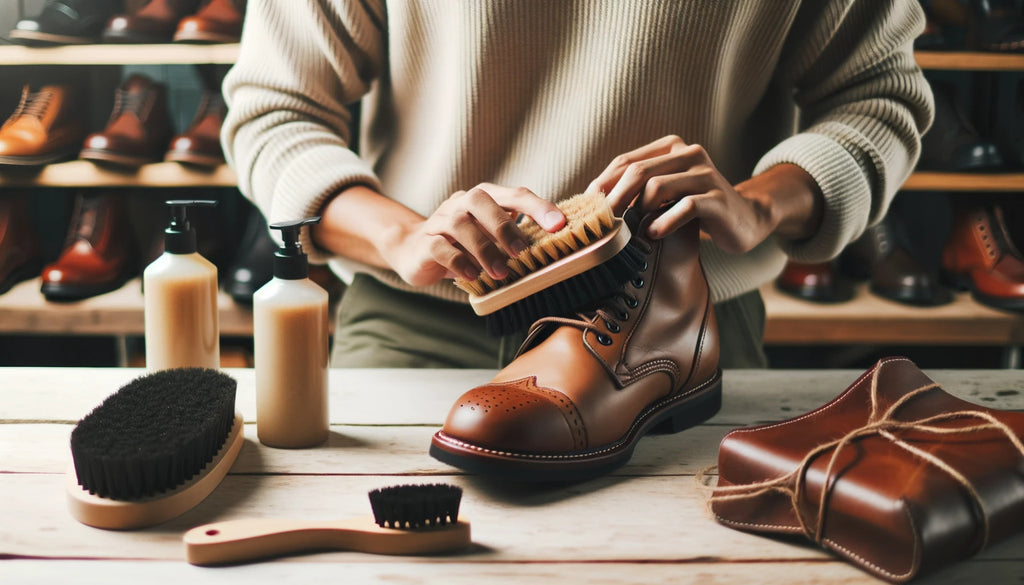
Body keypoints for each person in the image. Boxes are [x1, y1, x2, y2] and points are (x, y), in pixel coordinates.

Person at [222, 0, 934, 369]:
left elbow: (880, 98)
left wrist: (762, 201)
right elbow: (275, 111)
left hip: (676, 324)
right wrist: (403, 234)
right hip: (420, 324)